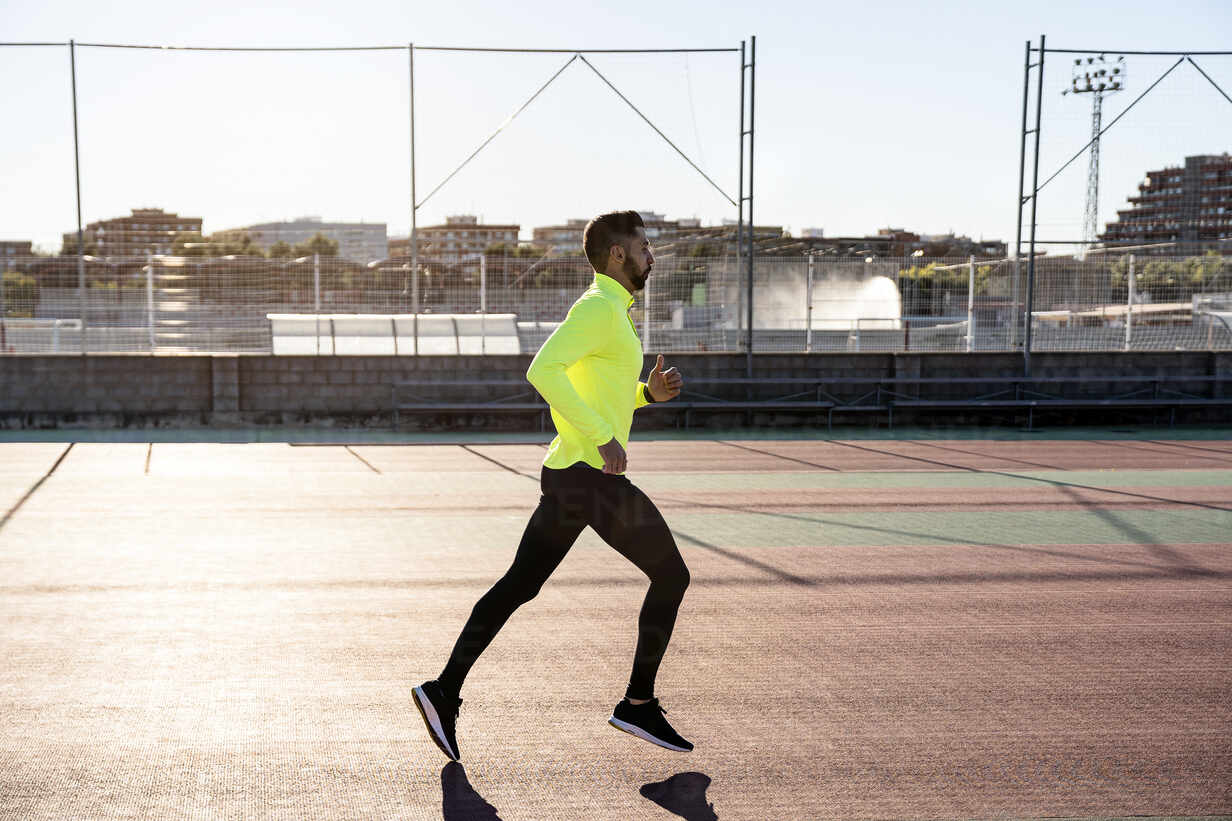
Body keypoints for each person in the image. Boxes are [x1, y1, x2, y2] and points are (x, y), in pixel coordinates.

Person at [413, 210, 692, 762]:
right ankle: (637, 703)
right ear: (618, 254)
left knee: (520, 585)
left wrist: (644, 396)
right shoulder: (598, 309)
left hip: (572, 474)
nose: (651, 254)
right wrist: (600, 437)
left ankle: (443, 690)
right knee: (672, 575)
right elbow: (542, 369)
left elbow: (597, 387)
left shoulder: (614, 312)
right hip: (590, 476)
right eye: (643, 246)